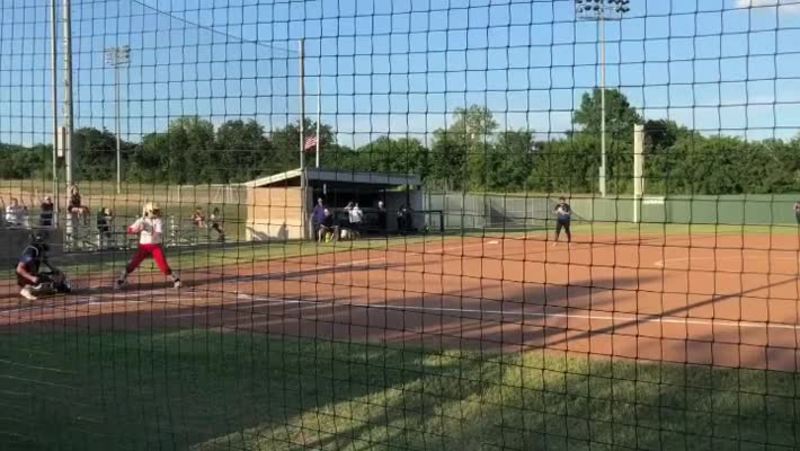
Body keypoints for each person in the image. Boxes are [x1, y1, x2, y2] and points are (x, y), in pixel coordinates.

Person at [115, 202, 181, 289]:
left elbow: (157, 233)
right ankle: (122, 280)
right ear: (148, 211)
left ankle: (176, 279)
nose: (157, 213)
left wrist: (148, 230)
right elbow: (130, 230)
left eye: (157, 211)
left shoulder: (158, 220)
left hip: (155, 246)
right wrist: (138, 229)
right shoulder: (141, 220)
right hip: (143, 247)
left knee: (164, 267)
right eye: (155, 211)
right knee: (132, 265)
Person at [16, 231, 71, 301]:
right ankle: (26, 289)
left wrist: (55, 270)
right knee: (47, 283)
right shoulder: (32, 250)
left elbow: (45, 261)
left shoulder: (40, 250)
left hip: (32, 274)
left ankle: (31, 287)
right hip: (26, 276)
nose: (47, 242)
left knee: (56, 276)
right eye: (46, 240)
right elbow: (19, 269)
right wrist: (32, 278)